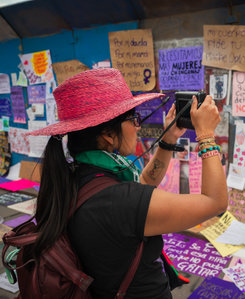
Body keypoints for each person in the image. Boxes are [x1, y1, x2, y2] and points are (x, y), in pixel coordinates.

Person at [27, 68, 228, 298]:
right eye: (133, 119)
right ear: (108, 135)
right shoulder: (121, 201)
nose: (138, 126)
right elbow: (215, 202)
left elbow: (141, 186)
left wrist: (169, 138)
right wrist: (206, 135)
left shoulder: (76, 177)